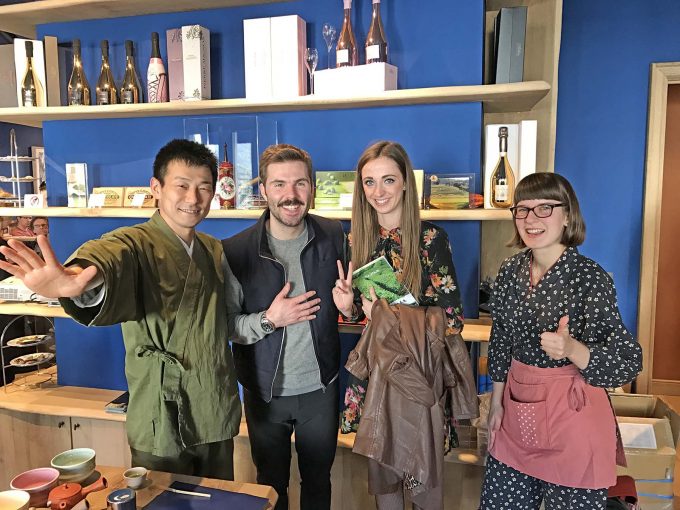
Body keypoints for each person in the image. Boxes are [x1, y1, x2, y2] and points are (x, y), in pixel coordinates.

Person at [0, 139, 242, 479]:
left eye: (203, 187)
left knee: (220, 497)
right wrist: (75, 279)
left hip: (212, 399)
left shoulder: (214, 250)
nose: (193, 198)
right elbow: (109, 257)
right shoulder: (136, 242)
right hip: (158, 407)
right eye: (182, 186)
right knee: (159, 497)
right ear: (156, 188)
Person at [479, 173, 643, 510]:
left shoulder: (589, 278)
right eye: (522, 209)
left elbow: (628, 361)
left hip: (571, 418)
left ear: (567, 215)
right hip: (516, 409)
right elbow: (501, 339)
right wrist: (496, 403)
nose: (531, 219)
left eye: (544, 208)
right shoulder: (510, 270)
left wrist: (572, 349)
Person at [332, 140, 477, 510]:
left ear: (405, 184)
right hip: (378, 372)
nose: (378, 192)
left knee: (423, 474)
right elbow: (361, 318)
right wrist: (348, 308)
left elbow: (452, 320)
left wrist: (385, 314)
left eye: (388, 180)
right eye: (369, 182)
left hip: (419, 372)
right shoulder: (356, 240)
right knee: (384, 474)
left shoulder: (431, 239)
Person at [223, 144, 345, 510]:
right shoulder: (235, 251)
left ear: (312, 187)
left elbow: (348, 301)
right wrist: (269, 320)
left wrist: (350, 306)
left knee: (318, 483)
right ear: (263, 189)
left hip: (320, 389)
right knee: (271, 486)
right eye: (279, 184)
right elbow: (227, 325)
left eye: (299, 183)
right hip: (265, 393)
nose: (291, 195)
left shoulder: (333, 234)